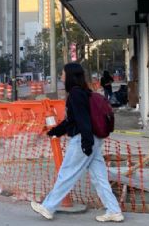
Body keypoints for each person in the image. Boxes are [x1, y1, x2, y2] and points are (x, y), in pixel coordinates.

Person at [30, 63, 124, 222]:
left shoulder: (75, 94)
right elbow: (72, 120)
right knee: (99, 177)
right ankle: (114, 211)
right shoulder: (84, 93)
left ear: (70, 75)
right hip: (94, 139)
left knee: (67, 173)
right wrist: (55, 132)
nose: (61, 75)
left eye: (62, 72)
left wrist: (86, 143)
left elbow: (83, 121)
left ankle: (48, 207)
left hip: (83, 139)